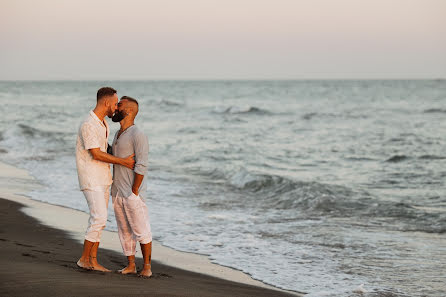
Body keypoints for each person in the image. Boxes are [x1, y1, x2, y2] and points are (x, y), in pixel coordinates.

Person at [75, 87, 136, 271]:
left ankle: (92, 260)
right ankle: (84, 259)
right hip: (91, 177)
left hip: (103, 178)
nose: (117, 107)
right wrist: (123, 162)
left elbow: (105, 148)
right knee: (99, 218)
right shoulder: (89, 124)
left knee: (100, 220)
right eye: (116, 103)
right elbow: (96, 154)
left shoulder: (103, 124)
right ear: (107, 102)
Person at [111, 96, 152, 277]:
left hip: (131, 193)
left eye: (119, 105)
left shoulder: (138, 134)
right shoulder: (118, 133)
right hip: (118, 191)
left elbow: (141, 165)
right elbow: (114, 155)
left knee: (141, 230)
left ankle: (147, 267)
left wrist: (134, 191)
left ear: (128, 110)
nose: (115, 107)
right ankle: (130, 265)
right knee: (124, 230)